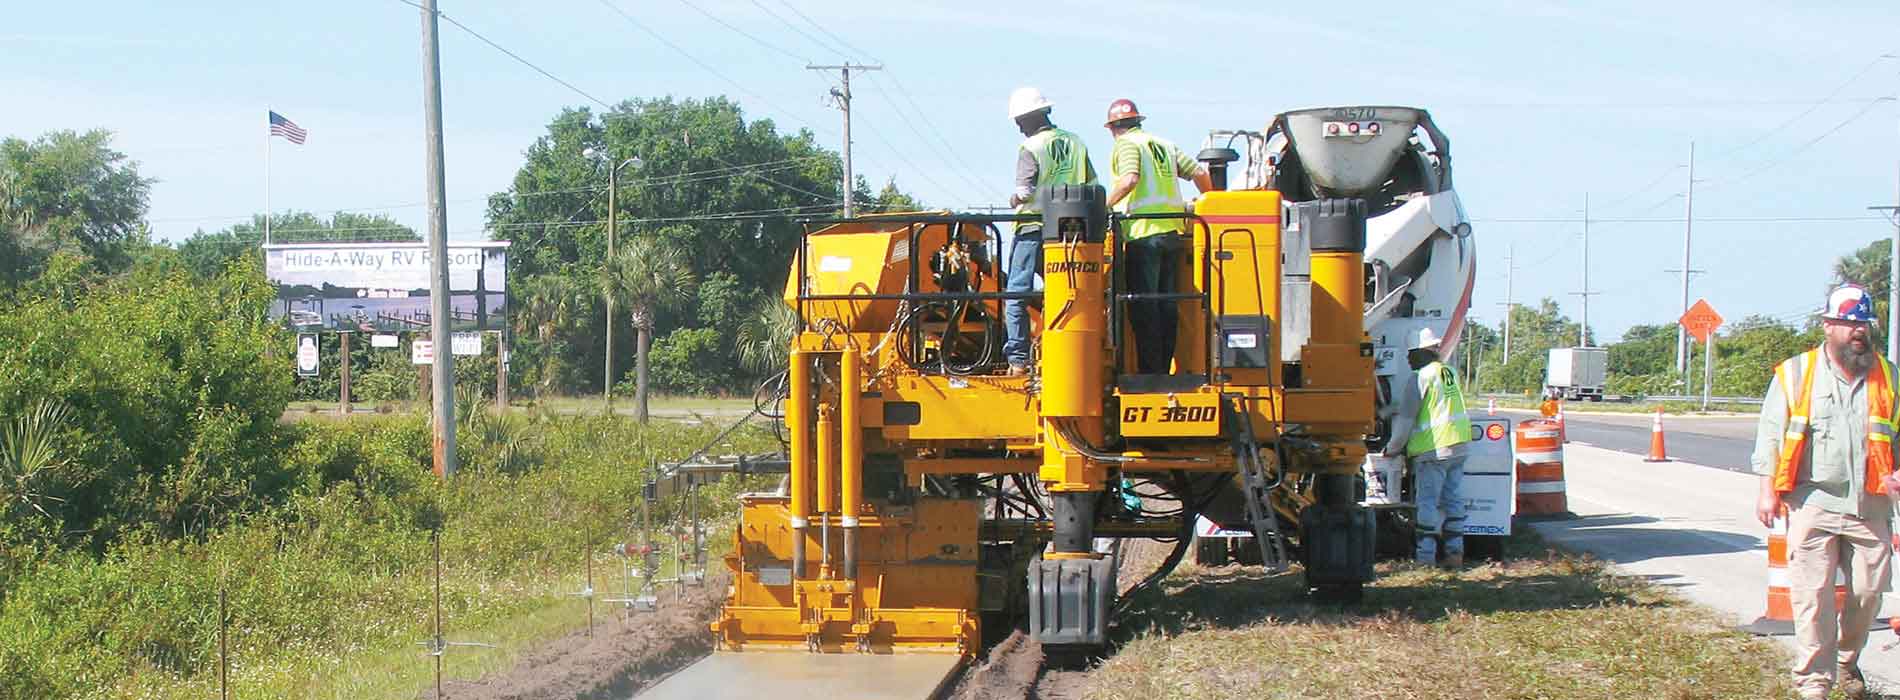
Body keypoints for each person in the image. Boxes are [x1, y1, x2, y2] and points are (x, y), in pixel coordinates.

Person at [1752, 284, 1900, 700]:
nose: (1858, 331)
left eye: (1863, 324)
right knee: (1812, 597)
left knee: (1868, 593)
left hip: (1871, 504)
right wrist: (1767, 491)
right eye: (1849, 323)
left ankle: (1847, 660)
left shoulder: (1888, 376)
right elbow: (1770, 437)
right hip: (1811, 501)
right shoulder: (1795, 374)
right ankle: (1813, 683)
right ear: (1829, 325)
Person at [1102, 98, 1211, 376]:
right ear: (1138, 121)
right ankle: (1163, 368)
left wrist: (1101, 208)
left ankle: (1151, 372)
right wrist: (1210, 202)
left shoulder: (1127, 144)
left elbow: (1129, 179)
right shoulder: (1164, 144)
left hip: (1142, 234)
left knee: (1144, 305)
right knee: (1167, 304)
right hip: (1172, 233)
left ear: (1114, 128)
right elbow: (1199, 173)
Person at [1002, 87, 1096, 376]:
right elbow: (1091, 181)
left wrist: (1013, 200)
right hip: (1070, 228)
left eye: (1019, 120)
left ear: (1029, 117)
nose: (1018, 127)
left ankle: (1018, 359)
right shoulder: (1076, 142)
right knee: (1069, 289)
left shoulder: (1031, 148)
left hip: (1033, 225)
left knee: (1017, 291)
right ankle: (1067, 351)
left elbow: (1024, 191)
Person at [1382, 327, 1471, 568]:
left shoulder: (1420, 378)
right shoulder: (1447, 372)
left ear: (1422, 352)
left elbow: (1406, 421)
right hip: (1458, 445)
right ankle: (1455, 555)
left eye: (1411, 353)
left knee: (1427, 504)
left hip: (1434, 449)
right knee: (1452, 499)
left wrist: (1392, 448)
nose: (1408, 359)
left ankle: (1425, 560)